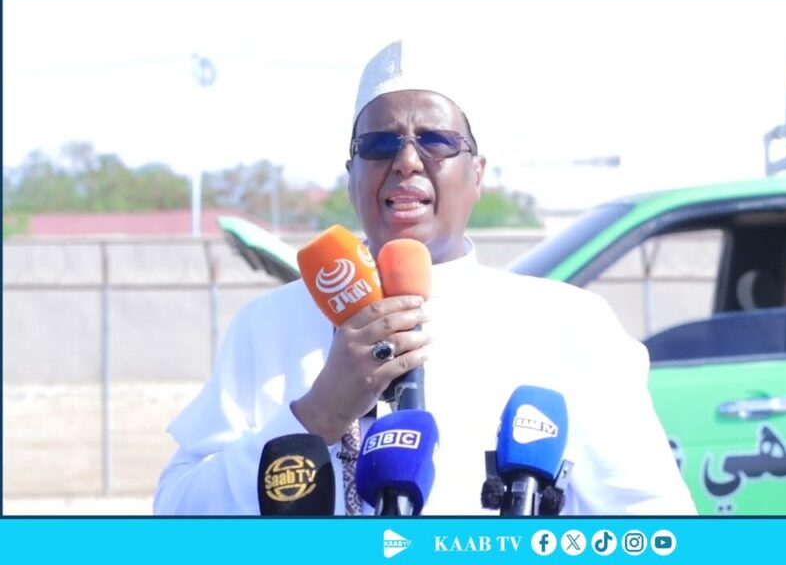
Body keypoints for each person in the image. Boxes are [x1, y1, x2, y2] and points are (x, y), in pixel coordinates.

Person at [154, 39, 697, 516]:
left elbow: (653, 525)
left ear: (477, 174)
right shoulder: (269, 325)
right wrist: (319, 414)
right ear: (351, 175)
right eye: (380, 144)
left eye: (436, 141)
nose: (407, 161)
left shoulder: (569, 324)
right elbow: (178, 517)